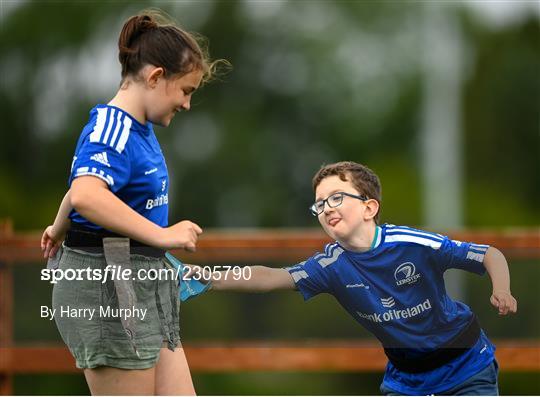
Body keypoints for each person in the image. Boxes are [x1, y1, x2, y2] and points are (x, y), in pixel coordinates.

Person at [193, 161, 517, 395]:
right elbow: (270, 277)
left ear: (369, 208)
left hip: (466, 366)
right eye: (319, 204)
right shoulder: (331, 265)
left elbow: (489, 254)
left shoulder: (413, 244)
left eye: (336, 197)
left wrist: (502, 289)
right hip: (406, 381)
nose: (326, 208)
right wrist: (209, 276)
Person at [40, 10, 226, 395]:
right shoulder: (112, 127)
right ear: (156, 77)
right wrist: (161, 236)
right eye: (186, 91)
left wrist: (58, 226)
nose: (187, 105)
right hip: (105, 284)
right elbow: (87, 194)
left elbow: (85, 187)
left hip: (140, 279)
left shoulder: (139, 127)